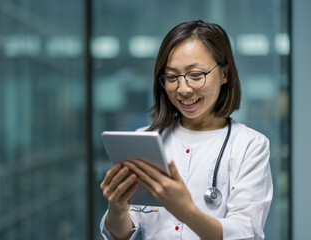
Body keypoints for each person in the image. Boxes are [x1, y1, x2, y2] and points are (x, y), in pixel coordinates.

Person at [99, 20, 273, 240]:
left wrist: (185, 210)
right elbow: (122, 233)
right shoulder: (145, 140)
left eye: (196, 75)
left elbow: (246, 232)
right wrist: (117, 208)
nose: (182, 89)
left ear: (225, 74)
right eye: (171, 77)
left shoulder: (250, 145)